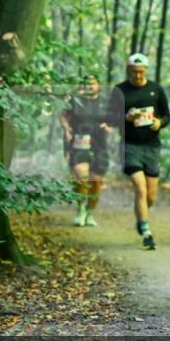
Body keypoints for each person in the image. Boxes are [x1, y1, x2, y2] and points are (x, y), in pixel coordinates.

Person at [108, 53, 170, 250]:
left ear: (146, 71)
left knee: (150, 195)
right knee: (140, 188)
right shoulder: (119, 91)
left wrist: (159, 123)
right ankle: (146, 232)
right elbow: (110, 119)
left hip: (151, 146)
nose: (137, 76)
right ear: (128, 70)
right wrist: (124, 117)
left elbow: (167, 116)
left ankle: (140, 216)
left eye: (141, 72)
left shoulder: (155, 89)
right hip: (129, 146)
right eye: (134, 72)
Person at [60, 75, 111, 227]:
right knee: (81, 176)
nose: (89, 86)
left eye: (92, 83)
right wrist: (66, 129)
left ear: (98, 85)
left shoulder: (105, 102)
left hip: (99, 144)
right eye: (86, 83)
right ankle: (81, 208)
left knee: (96, 181)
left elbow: (115, 119)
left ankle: (90, 212)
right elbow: (63, 115)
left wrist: (110, 127)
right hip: (79, 142)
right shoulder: (75, 100)